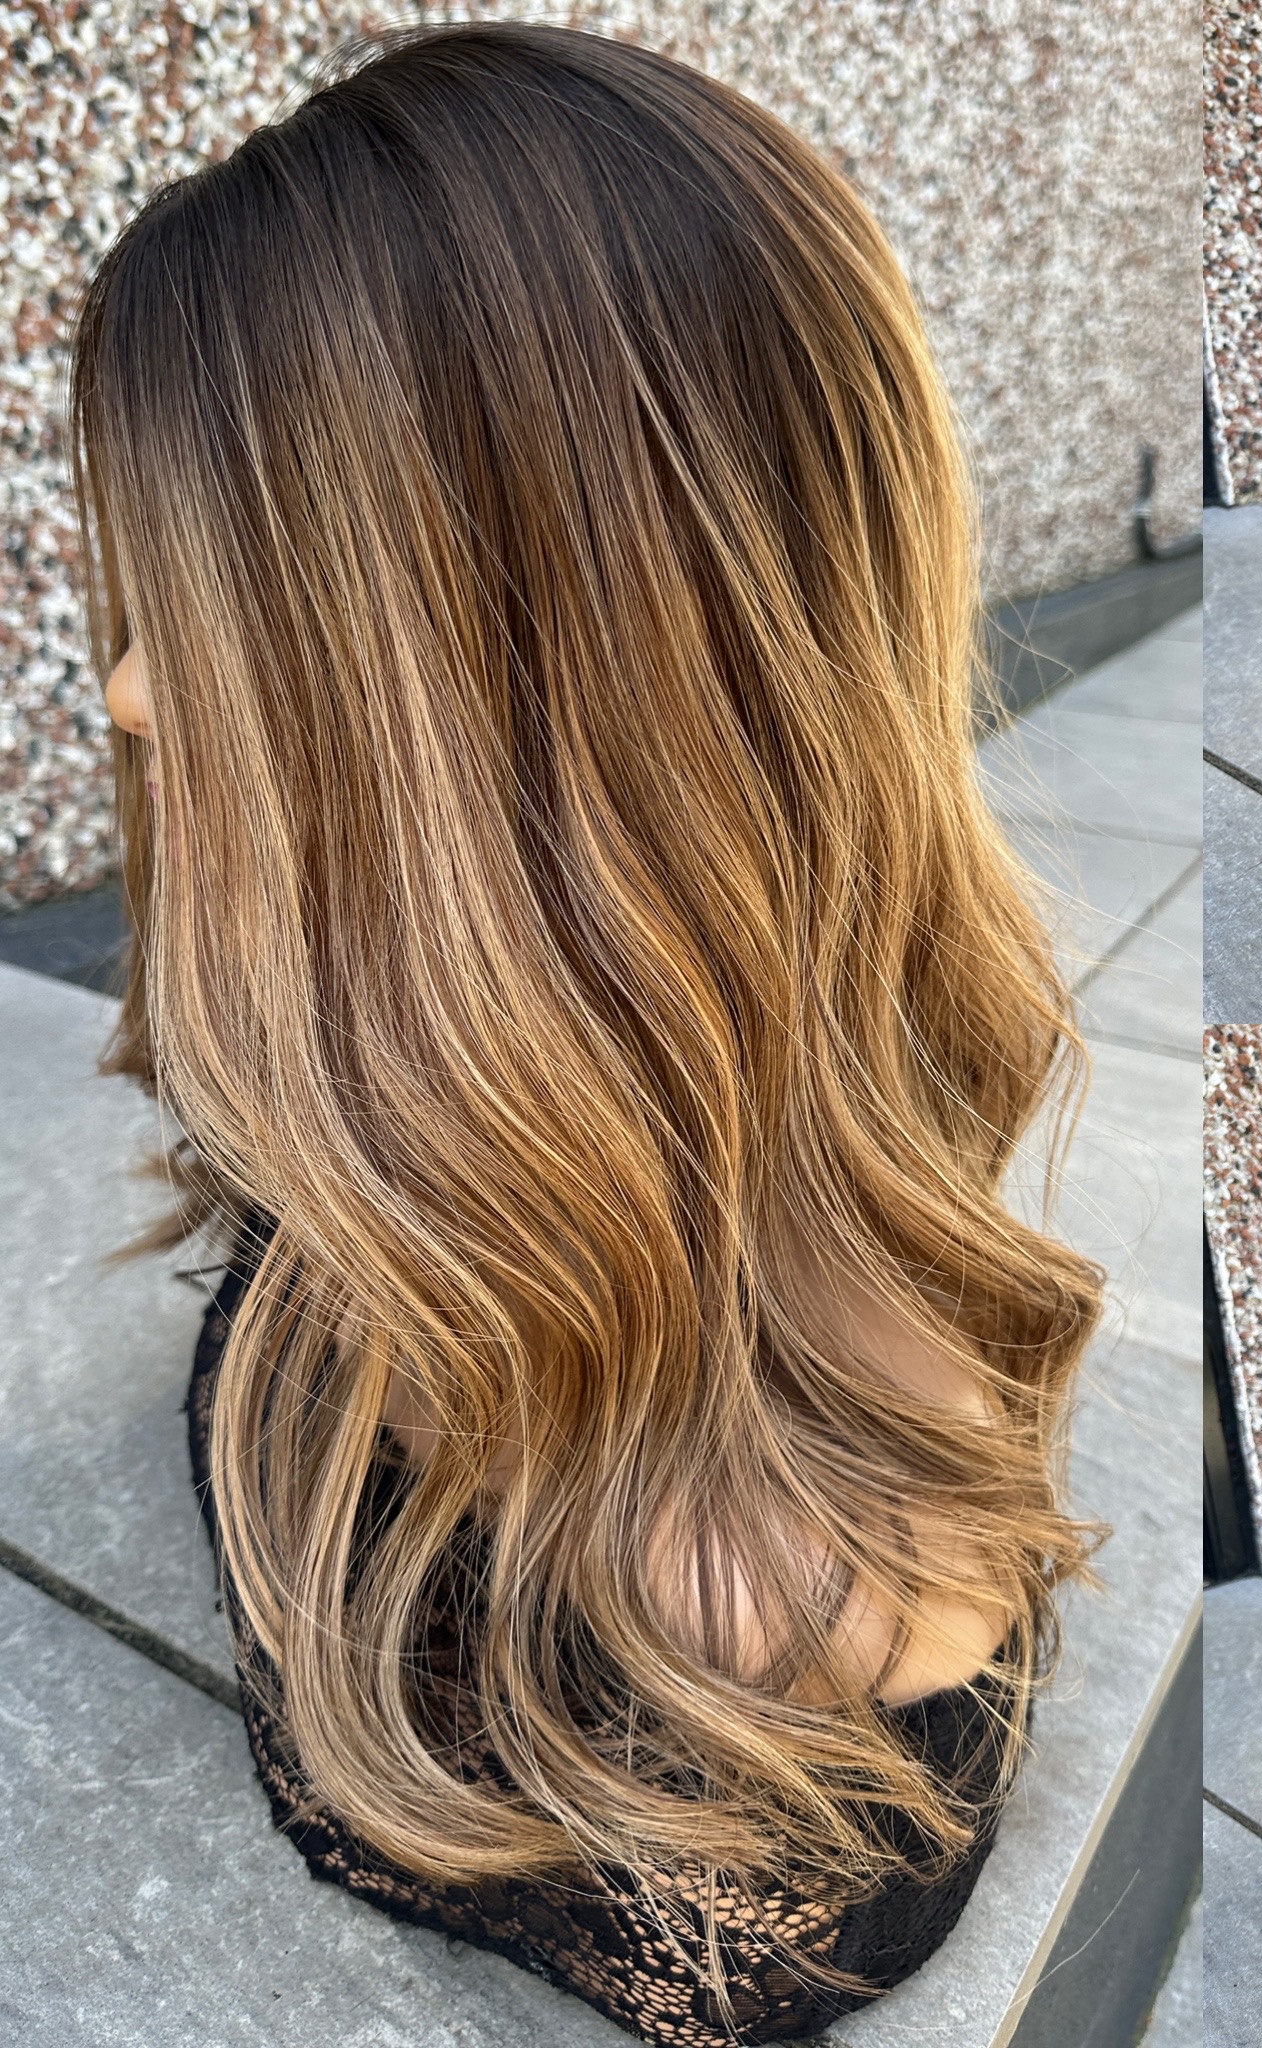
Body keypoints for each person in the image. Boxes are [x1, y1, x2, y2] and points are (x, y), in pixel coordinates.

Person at [72, 23, 1104, 2045]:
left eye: (244, 618)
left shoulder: (779, 1610)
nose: (130, 692)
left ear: (560, 729)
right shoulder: (393, 1148)